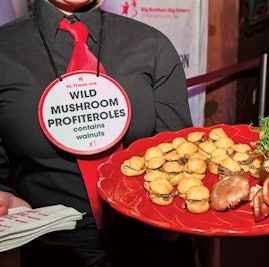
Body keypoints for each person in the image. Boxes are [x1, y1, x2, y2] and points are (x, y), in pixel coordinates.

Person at [0, 0, 195, 266]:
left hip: (149, 244)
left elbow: (181, 158)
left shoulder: (152, 45)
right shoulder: (4, 51)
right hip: (53, 250)